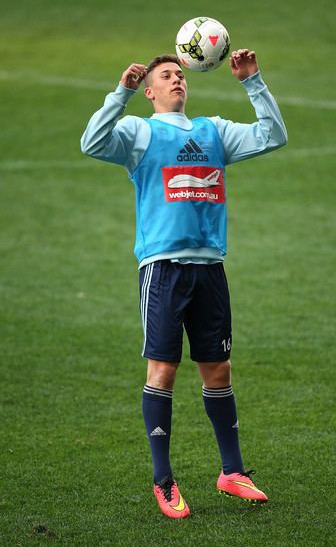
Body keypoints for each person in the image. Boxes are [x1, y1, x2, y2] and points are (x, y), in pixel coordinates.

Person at [81, 48, 287, 519]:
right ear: (150, 91)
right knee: (164, 371)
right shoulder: (139, 132)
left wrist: (252, 81)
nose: (177, 80)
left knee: (218, 370)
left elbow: (273, 134)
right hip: (163, 267)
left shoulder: (213, 130)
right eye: (166, 77)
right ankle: (164, 481)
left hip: (210, 266)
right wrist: (121, 94)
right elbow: (92, 142)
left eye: (180, 74)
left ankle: (232, 472)